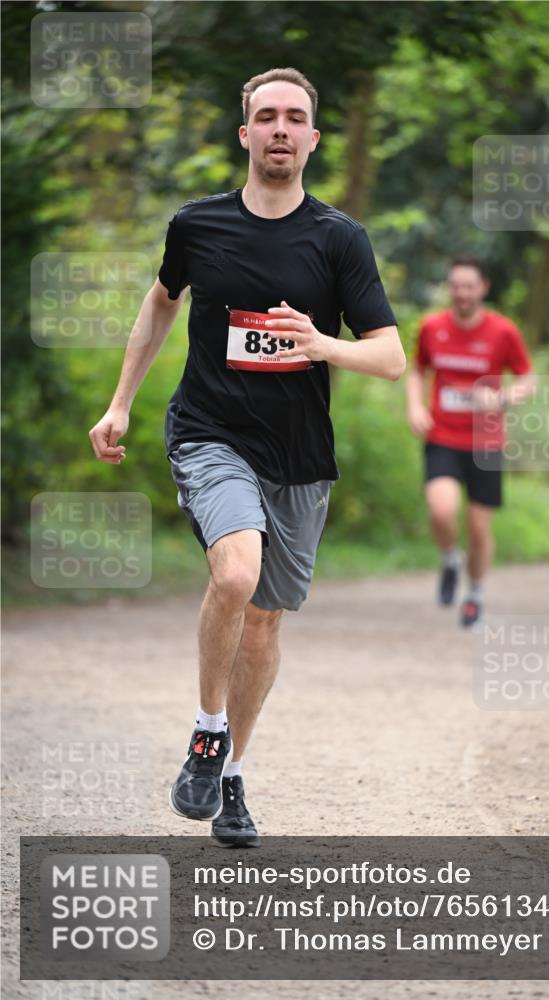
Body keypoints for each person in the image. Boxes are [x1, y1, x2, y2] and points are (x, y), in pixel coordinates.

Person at [88, 67, 405, 846]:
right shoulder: (197, 226)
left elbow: (390, 356)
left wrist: (320, 343)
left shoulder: (338, 238)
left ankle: (230, 772)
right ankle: (206, 733)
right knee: (235, 574)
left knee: (263, 621)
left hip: (298, 454)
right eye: (266, 117)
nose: (279, 129)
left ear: (313, 138)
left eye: (294, 117)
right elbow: (162, 301)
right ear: (245, 134)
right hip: (210, 432)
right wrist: (120, 402)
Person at [406, 256, 534, 628]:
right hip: (443, 435)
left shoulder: (503, 331)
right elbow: (417, 371)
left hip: (486, 443)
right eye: (456, 286)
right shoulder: (432, 327)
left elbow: (528, 379)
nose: (462, 293)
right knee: (441, 510)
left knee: (479, 529)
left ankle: (475, 593)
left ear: (483, 288)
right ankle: (450, 559)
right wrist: (415, 406)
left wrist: (503, 398)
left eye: (469, 286)